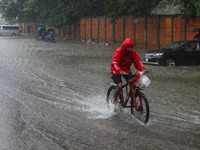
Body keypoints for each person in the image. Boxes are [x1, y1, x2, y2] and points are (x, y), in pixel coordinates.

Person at [110, 38, 146, 109]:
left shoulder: (133, 53)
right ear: (125, 47)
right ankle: (113, 101)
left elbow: (137, 61)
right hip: (116, 70)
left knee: (132, 83)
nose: (130, 49)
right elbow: (114, 63)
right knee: (120, 86)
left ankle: (132, 100)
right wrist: (120, 71)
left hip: (126, 70)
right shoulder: (118, 51)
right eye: (128, 47)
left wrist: (142, 69)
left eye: (131, 47)